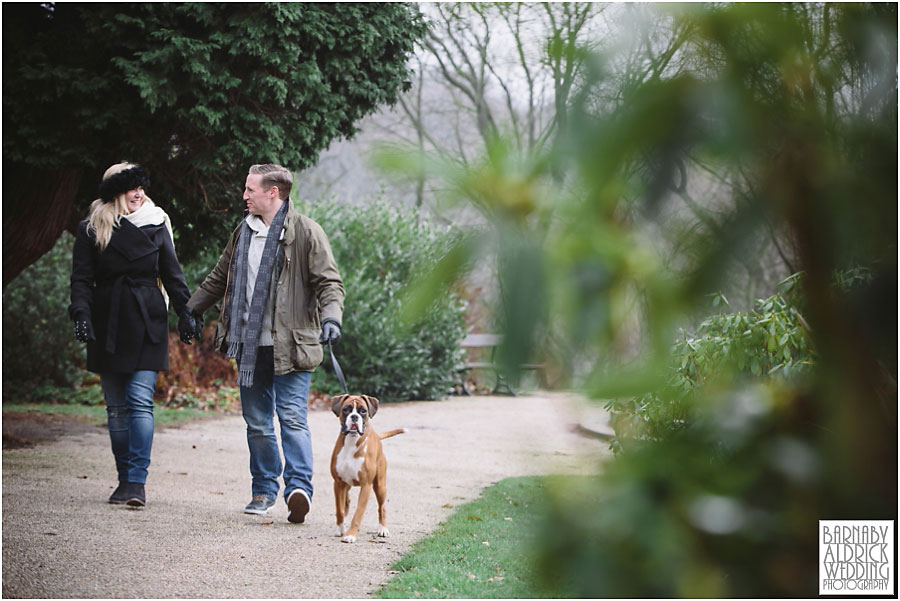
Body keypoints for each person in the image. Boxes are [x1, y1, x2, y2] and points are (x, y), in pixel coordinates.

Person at [182, 163, 344, 523]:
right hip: (250, 344)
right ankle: (264, 488)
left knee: (291, 418)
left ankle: (299, 489)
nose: (244, 195)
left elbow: (329, 284)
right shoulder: (243, 232)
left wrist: (332, 317)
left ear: (273, 193)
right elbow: (219, 276)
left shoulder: (305, 232)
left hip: (294, 345)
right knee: (256, 421)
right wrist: (191, 309)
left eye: (250, 189)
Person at [69, 162, 200, 508]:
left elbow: (173, 275)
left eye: (141, 187)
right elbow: (81, 279)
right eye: (130, 188)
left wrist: (187, 312)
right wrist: (81, 314)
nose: (138, 194)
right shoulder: (91, 228)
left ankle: (136, 482)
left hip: (147, 320)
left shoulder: (157, 224)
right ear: (114, 192)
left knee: (140, 402)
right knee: (115, 408)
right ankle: (123, 479)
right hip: (107, 320)